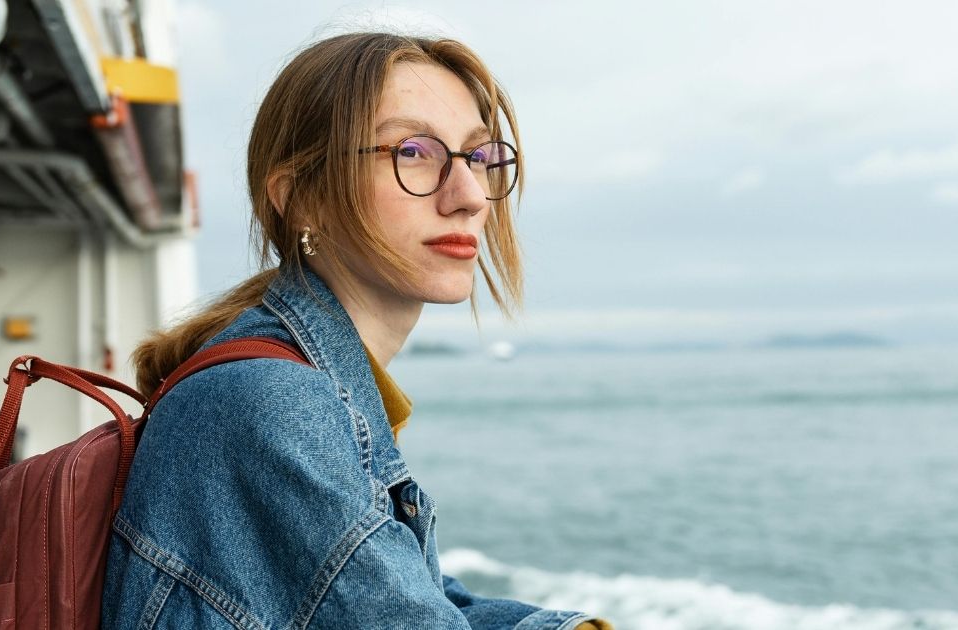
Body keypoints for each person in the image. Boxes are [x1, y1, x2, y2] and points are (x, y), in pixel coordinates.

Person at [100, 32, 612, 629]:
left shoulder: (305, 383)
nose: (470, 195)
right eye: (413, 151)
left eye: (478, 156)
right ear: (301, 197)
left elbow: (411, 589)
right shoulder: (275, 403)